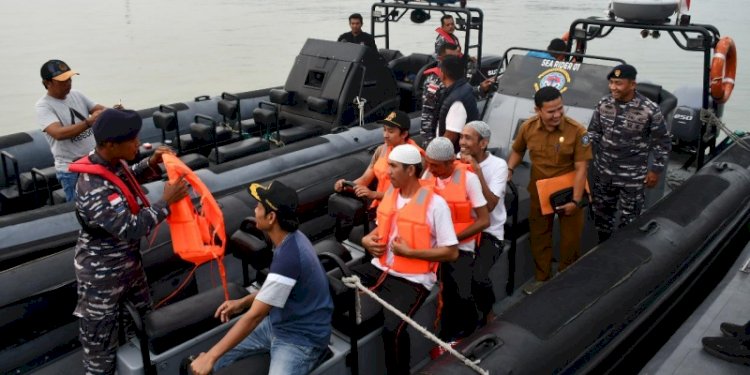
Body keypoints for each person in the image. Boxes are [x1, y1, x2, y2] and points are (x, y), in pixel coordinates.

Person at [71, 109, 189, 375]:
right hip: (102, 278)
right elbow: (129, 227)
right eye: (132, 140)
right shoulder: (92, 186)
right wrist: (166, 203)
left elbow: (126, 177)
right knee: (100, 353)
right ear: (111, 145)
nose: (138, 144)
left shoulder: (110, 162)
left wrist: (150, 163)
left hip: (130, 269)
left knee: (142, 329)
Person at [191, 181, 333, 375]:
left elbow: (255, 316)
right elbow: (274, 290)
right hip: (278, 325)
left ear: (271, 217)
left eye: (258, 206)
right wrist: (242, 302)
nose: (254, 210)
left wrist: (210, 356)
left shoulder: (289, 256)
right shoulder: (288, 240)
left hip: (302, 340)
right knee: (216, 360)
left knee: (213, 357)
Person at [356, 144, 458, 374]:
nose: (387, 171)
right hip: (379, 267)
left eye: (393, 166)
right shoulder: (391, 193)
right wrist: (366, 241)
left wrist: (411, 253)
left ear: (410, 170)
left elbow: (451, 252)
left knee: (393, 330)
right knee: (338, 285)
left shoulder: (436, 205)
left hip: (412, 279)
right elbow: (381, 229)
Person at [506, 86, 592, 295]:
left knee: (570, 239)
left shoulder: (577, 131)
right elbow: (518, 150)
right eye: (551, 111)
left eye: (560, 109)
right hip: (540, 191)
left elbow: (582, 168)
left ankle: (565, 277)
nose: (557, 115)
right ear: (538, 110)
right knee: (539, 235)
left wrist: (576, 200)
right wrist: (508, 170)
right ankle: (542, 277)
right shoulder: (528, 128)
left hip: (569, 192)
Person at [587, 64, 671, 243]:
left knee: (629, 220)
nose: (613, 87)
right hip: (604, 174)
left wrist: (655, 170)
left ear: (632, 85)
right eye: (611, 83)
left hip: (631, 178)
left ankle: (624, 252)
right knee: (602, 218)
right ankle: (603, 248)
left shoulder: (649, 110)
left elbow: (662, 142)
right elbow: (593, 132)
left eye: (618, 83)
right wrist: (579, 145)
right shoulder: (603, 104)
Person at [422, 137, 489, 341]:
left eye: (435, 165)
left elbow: (484, 220)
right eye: (429, 164)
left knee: (458, 290)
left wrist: (452, 238)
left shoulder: (469, 180)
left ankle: (466, 331)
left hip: (461, 245)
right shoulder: (428, 175)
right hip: (432, 242)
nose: (430, 169)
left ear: (451, 162)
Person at [36, 59, 119, 201]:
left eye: (69, 79)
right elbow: (58, 133)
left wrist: (113, 111)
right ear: (47, 83)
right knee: (81, 212)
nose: (68, 83)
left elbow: (99, 109)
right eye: (62, 81)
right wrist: (88, 122)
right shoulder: (44, 107)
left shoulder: (77, 95)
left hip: (94, 162)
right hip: (72, 170)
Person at [458, 121, 508, 323]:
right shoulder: (454, 161)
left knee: (477, 276)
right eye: (461, 137)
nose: (462, 142)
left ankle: (489, 314)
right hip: (464, 228)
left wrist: (476, 171)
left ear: (483, 143)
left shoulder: (499, 166)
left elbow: (489, 206)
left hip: (490, 231)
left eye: (468, 138)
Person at [333, 110, 422, 207]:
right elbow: (365, 179)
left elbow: (410, 194)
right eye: (384, 130)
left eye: (391, 131)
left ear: (404, 134)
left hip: (401, 210)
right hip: (382, 208)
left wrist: (374, 194)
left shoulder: (415, 158)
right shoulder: (381, 150)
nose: (385, 135)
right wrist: (346, 186)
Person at [421, 44, 493, 147]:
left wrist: (480, 89)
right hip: (437, 133)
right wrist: (428, 143)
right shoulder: (433, 82)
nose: (454, 60)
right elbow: (427, 114)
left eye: (456, 57)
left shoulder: (457, 78)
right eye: (450, 57)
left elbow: (462, 91)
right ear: (441, 59)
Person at [436, 55, 479, 151]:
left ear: (442, 74)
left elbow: (450, 137)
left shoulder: (457, 102)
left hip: (454, 157)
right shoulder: (464, 87)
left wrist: (436, 155)